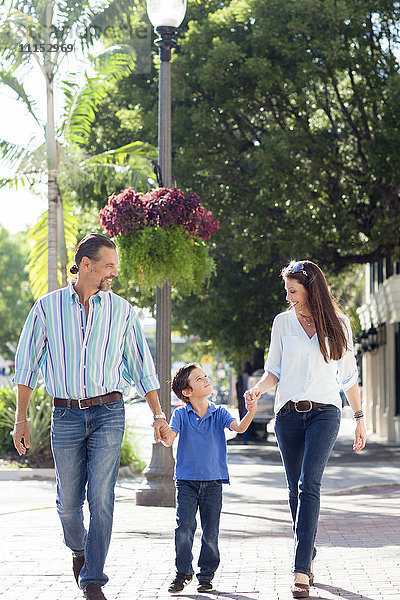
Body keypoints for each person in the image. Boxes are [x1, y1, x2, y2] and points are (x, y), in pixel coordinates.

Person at [11, 233, 168, 600]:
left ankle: (93, 578)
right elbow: (26, 367)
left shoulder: (122, 311)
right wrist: (21, 419)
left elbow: (143, 368)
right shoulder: (47, 308)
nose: (114, 272)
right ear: (87, 265)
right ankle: (79, 551)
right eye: (109, 266)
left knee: (101, 496)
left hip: (109, 412)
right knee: (69, 502)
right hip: (65, 414)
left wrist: (158, 414)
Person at [244, 260, 366, 599]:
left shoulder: (339, 324)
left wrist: (359, 418)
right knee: (294, 489)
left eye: (293, 290)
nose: (288, 297)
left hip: (326, 413)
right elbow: (274, 371)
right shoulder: (282, 323)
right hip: (287, 417)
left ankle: (300, 570)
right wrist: (258, 390)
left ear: (311, 289)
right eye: (287, 290)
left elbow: (348, 376)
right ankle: (307, 550)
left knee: (308, 483)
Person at [160, 362, 257, 594]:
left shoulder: (220, 412)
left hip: (213, 482)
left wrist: (251, 409)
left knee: (210, 532)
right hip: (186, 481)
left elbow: (240, 428)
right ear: (187, 392)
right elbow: (169, 439)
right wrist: (162, 433)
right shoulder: (181, 414)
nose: (206, 380)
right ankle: (183, 572)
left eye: (205, 376)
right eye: (199, 378)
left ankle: (206, 575)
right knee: (184, 527)